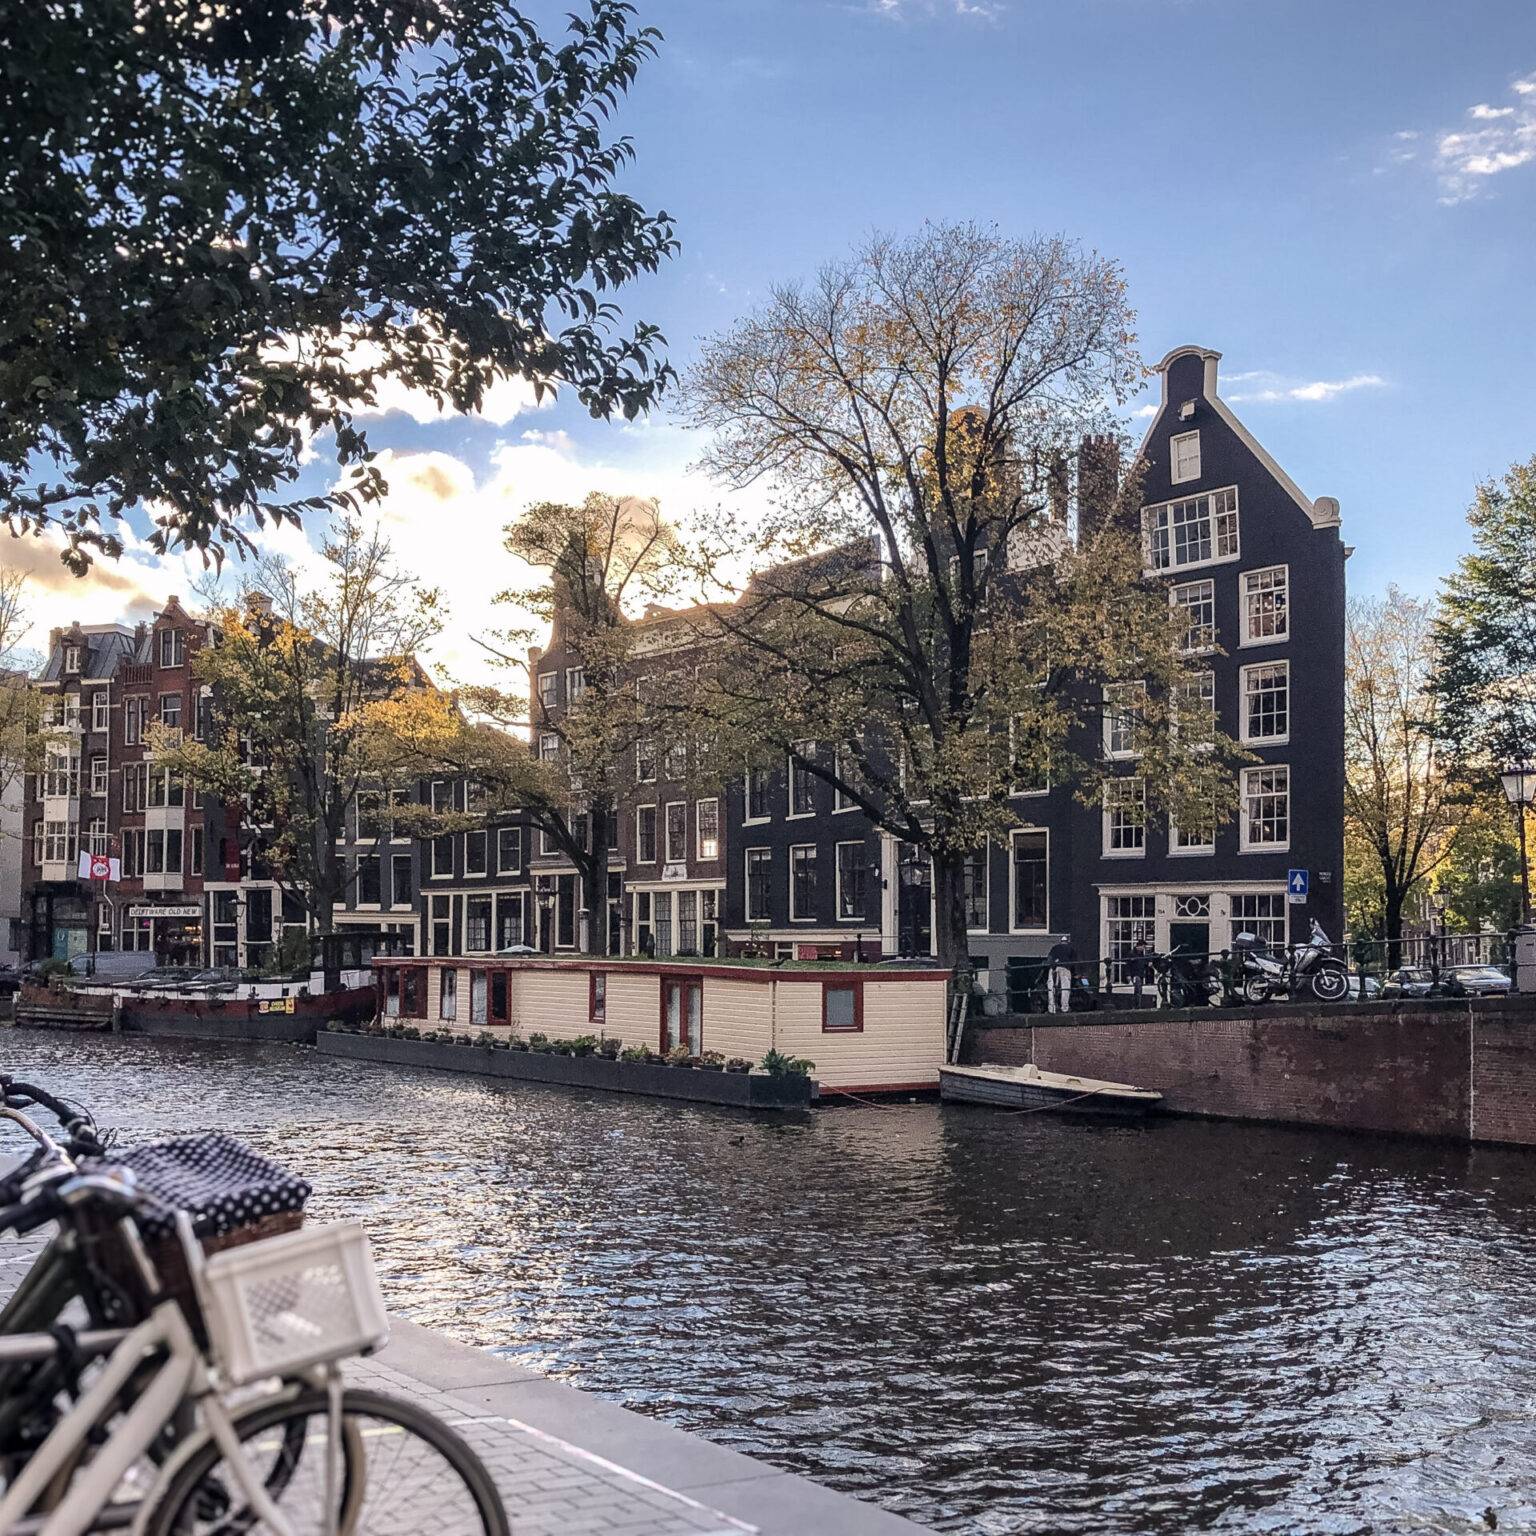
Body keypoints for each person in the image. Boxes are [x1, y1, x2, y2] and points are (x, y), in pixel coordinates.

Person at [1046, 933, 1075, 1014]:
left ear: (1060, 942)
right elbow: (1074, 962)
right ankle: (1065, 1008)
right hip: (1065, 968)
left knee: (1051, 988)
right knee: (1065, 988)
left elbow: (1049, 959)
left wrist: (1052, 966)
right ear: (1067, 942)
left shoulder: (1054, 948)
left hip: (1053, 968)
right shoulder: (1070, 949)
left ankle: (1051, 1008)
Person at [1128, 931, 1151, 1007]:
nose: (1144, 949)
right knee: (1138, 990)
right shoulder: (1132, 953)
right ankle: (1137, 1005)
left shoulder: (1140, 954)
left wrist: (1147, 964)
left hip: (1140, 974)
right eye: (1143, 947)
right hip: (1135, 974)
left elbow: (1142, 962)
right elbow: (1128, 964)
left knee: (1138, 990)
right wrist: (1128, 975)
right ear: (1140, 946)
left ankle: (1137, 1005)